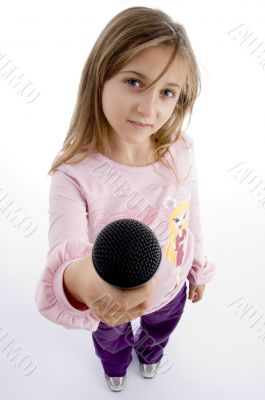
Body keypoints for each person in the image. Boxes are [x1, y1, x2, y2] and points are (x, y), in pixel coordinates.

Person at [34, 6, 216, 392]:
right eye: (134, 82)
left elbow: (190, 212)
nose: (149, 109)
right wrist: (85, 284)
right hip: (109, 305)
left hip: (172, 287)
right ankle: (115, 367)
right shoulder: (73, 176)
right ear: (101, 78)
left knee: (161, 327)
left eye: (167, 92)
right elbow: (64, 259)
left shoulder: (180, 149)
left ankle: (150, 355)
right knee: (111, 340)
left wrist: (197, 265)